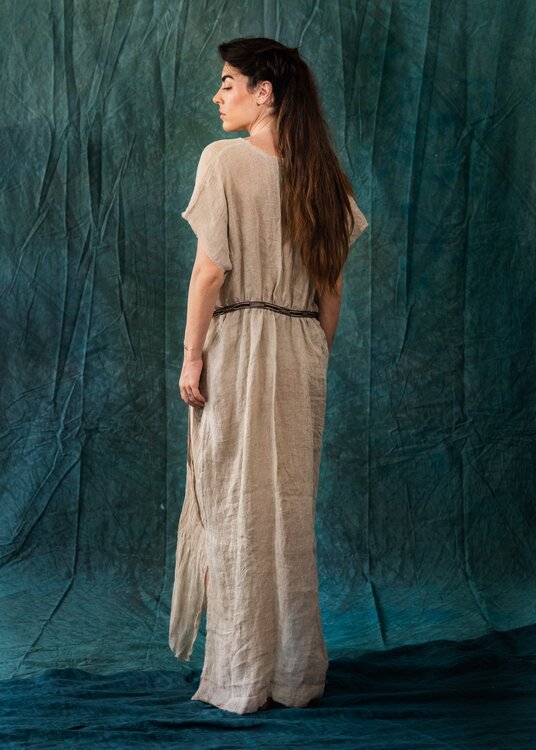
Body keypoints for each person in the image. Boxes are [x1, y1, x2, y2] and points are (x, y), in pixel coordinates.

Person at [168, 36, 368, 715]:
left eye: (228, 82)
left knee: (235, 508)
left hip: (240, 347)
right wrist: (311, 353)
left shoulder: (223, 160)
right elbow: (331, 291)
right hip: (301, 348)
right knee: (287, 510)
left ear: (266, 92)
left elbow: (209, 272)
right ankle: (294, 676)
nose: (217, 95)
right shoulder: (327, 179)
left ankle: (240, 677)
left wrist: (192, 355)